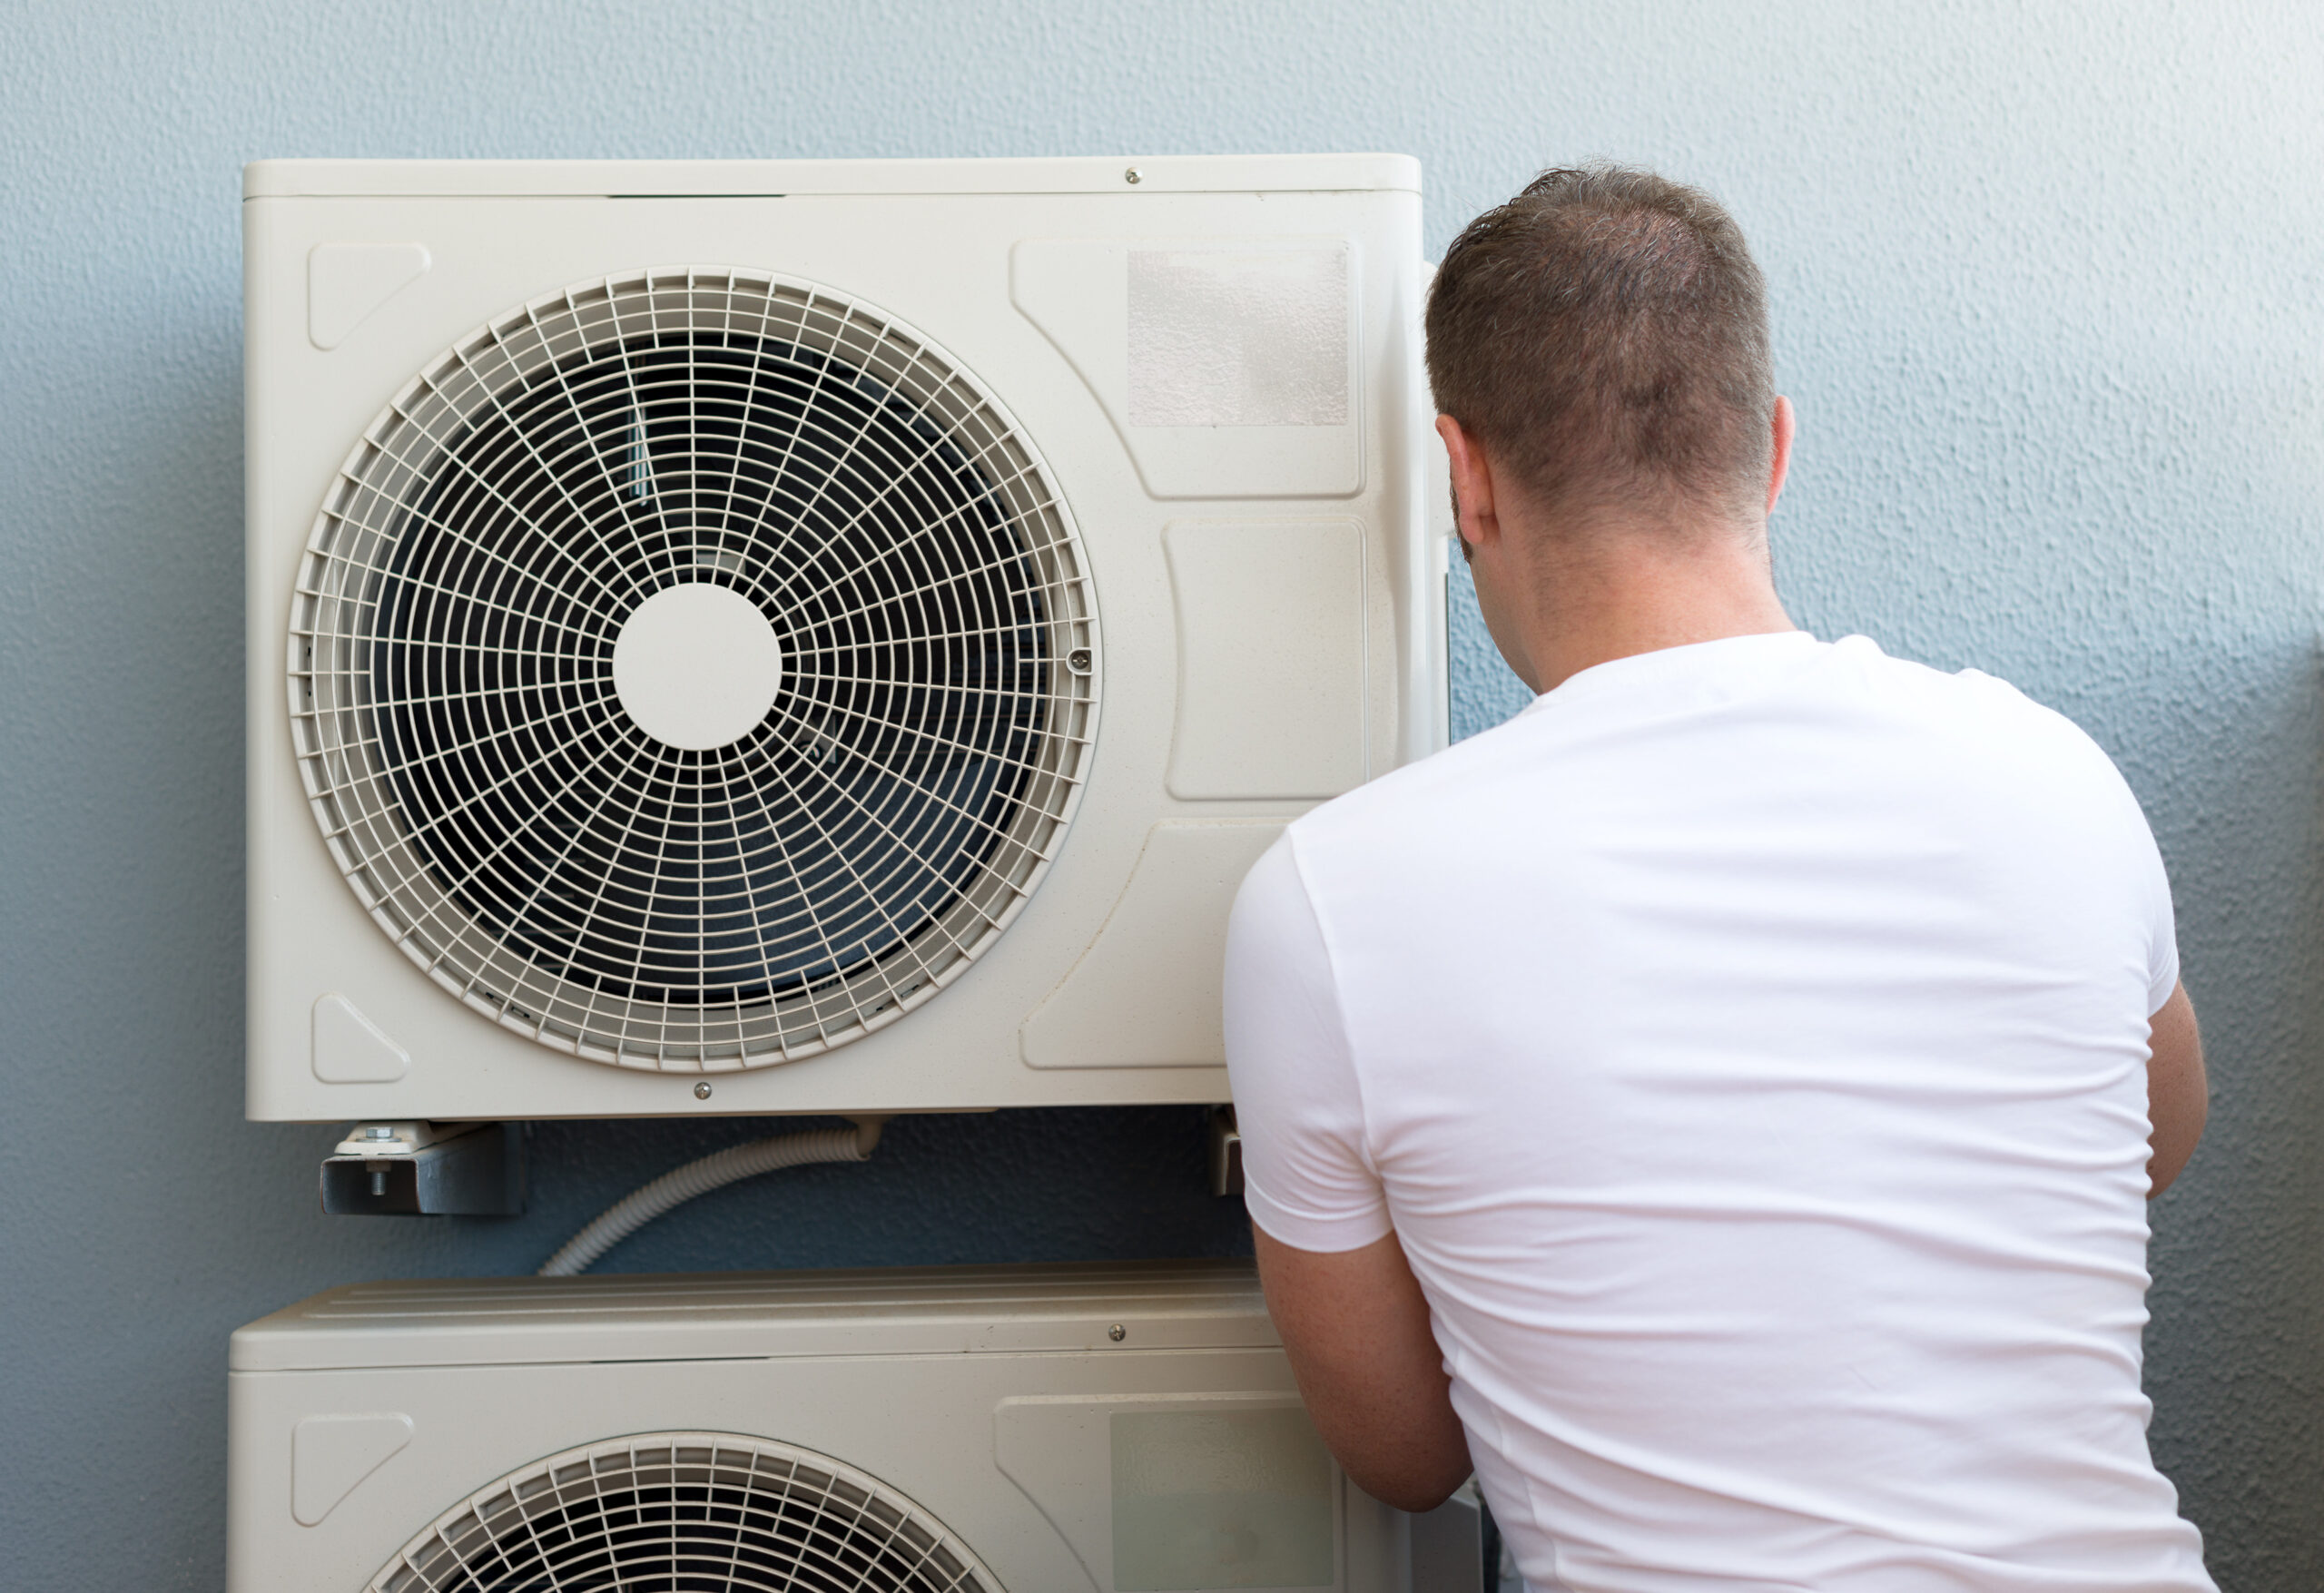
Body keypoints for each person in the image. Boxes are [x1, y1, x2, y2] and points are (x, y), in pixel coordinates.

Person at [1222, 165, 2214, 1591]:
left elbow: (1404, 1455)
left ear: (1466, 478)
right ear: (1776, 449)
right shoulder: (2054, 774)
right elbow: (2150, 1146)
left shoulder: (1329, 899)